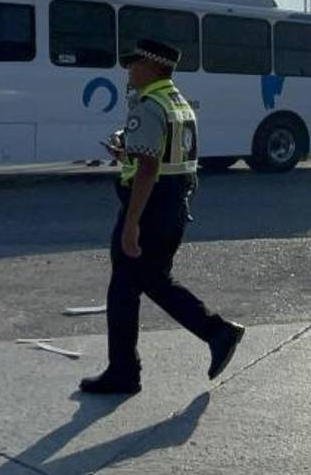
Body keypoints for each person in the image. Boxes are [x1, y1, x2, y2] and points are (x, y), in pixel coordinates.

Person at [80, 38, 245, 395]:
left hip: (151, 207)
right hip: (172, 204)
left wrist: (131, 224)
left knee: (124, 289)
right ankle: (216, 333)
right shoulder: (178, 102)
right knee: (153, 281)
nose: (129, 70)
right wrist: (128, 149)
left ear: (153, 67)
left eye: (134, 64)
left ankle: (125, 371)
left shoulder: (149, 104)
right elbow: (167, 156)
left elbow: (148, 169)